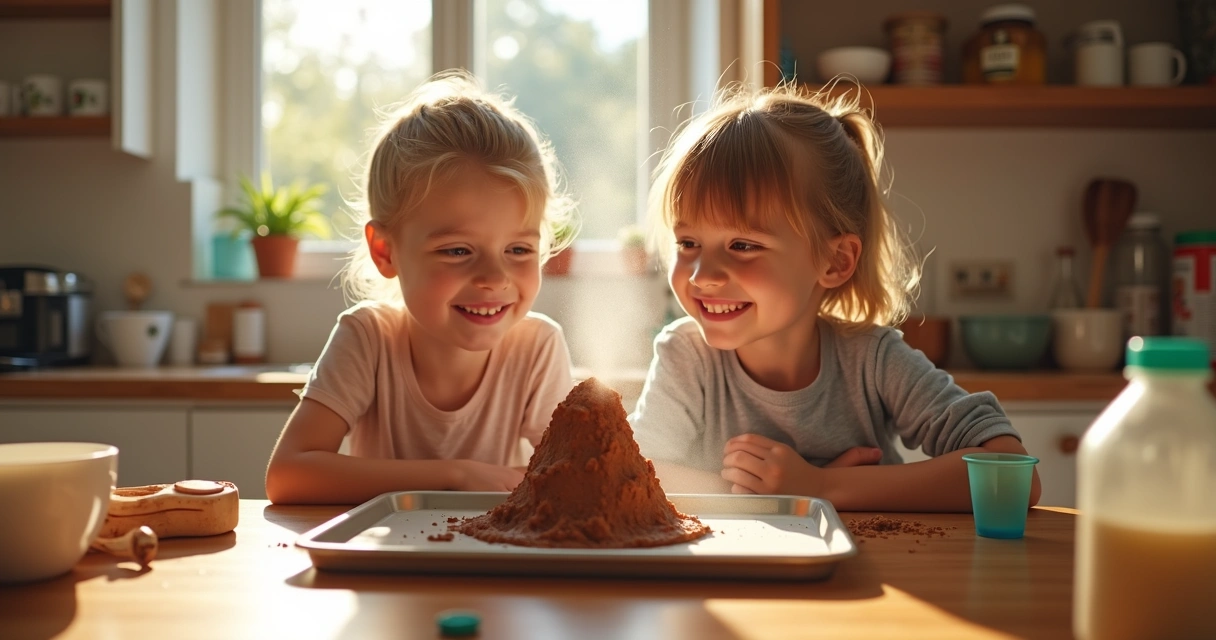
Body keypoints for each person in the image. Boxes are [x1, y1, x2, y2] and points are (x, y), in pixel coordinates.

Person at [630, 83, 1041, 511]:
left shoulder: (872, 359)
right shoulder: (687, 356)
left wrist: (822, 486)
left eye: (742, 245)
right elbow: (630, 470)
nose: (704, 275)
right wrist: (782, 497)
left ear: (835, 260)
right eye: (688, 243)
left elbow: (1015, 475)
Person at [266, 72, 577, 505]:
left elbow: (570, 474)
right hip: (383, 568)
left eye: (519, 248)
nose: (494, 277)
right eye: (456, 251)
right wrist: (453, 477)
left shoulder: (538, 347)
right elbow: (288, 475)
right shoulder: (367, 338)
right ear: (386, 251)